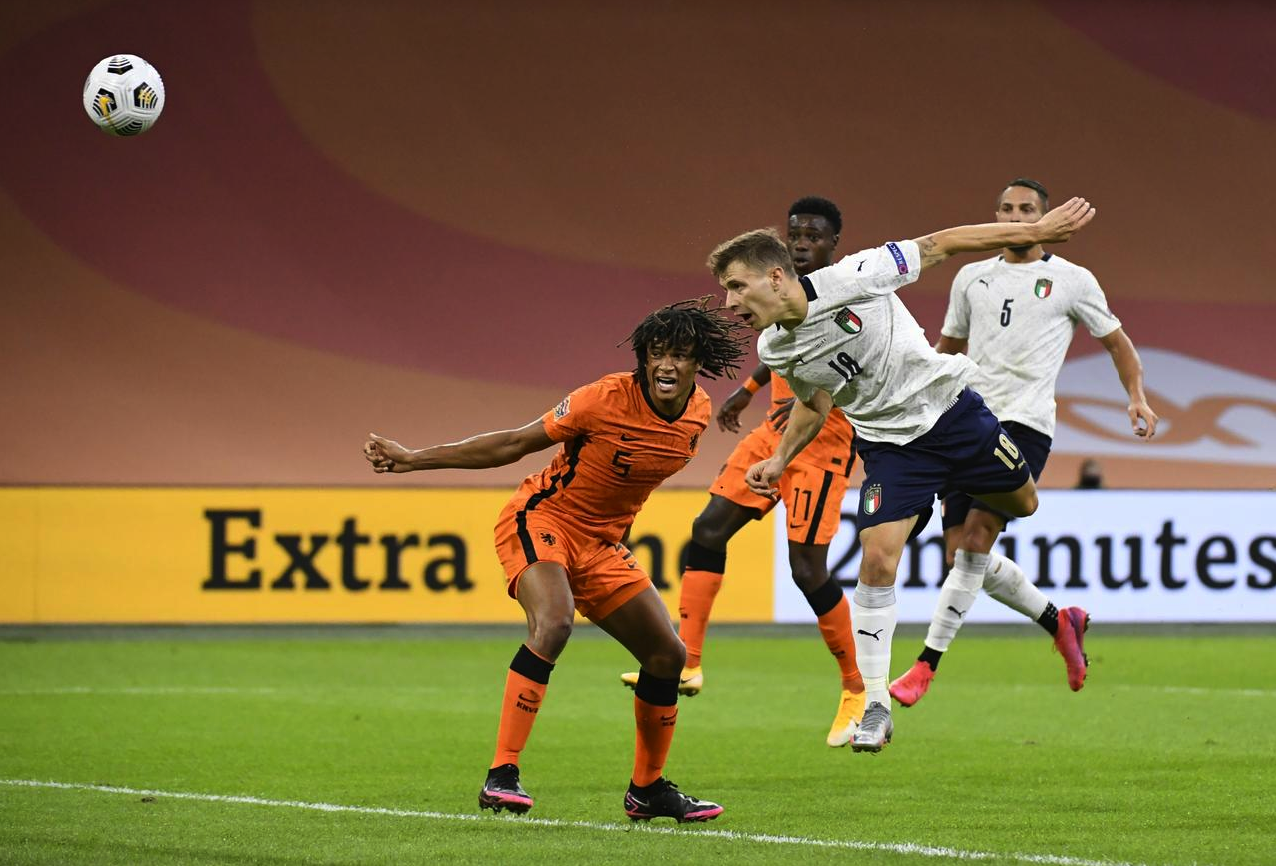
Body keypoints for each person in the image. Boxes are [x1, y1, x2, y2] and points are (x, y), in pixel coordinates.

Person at [708, 195, 1096, 751]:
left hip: (953, 414)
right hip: (892, 449)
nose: (731, 302)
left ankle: (1056, 615)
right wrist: (780, 458)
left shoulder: (855, 276)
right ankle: (874, 706)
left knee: (1024, 506)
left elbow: (941, 243)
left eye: (738, 287)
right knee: (877, 556)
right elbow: (814, 405)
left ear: (775, 278)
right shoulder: (776, 347)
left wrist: (1035, 230)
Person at [364, 300, 748, 822]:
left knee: (667, 656)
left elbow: (628, 482)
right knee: (554, 623)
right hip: (542, 519)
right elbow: (515, 443)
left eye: (680, 355)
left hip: (600, 545)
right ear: (642, 358)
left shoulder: (698, 413)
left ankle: (648, 790)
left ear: (696, 361)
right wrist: (415, 458)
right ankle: (502, 775)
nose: (666, 365)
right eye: (656, 353)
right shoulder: (602, 398)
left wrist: (615, 540)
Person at [889, 179, 1157, 707]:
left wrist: (1137, 397)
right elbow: (949, 345)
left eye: (1028, 210)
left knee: (977, 539)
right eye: (1009, 210)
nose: (1017, 217)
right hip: (964, 418)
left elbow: (1118, 343)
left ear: (1045, 217)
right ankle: (1062, 621)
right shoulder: (971, 276)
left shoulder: (1073, 281)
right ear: (996, 216)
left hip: (1025, 424)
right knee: (960, 559)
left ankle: (925, 665)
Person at [619, 196, 865, 747]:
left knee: (807, 568)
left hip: (823, 442)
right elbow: (778, 347)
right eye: (795, 232)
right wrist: (748, 391)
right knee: (707, 531)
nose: (803, 241)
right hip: (772, 432)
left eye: (814, 235)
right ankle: (687, 661)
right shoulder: (778, 294)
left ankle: (856, 687)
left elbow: (845, 365)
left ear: (833, 244)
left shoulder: (846, 293)